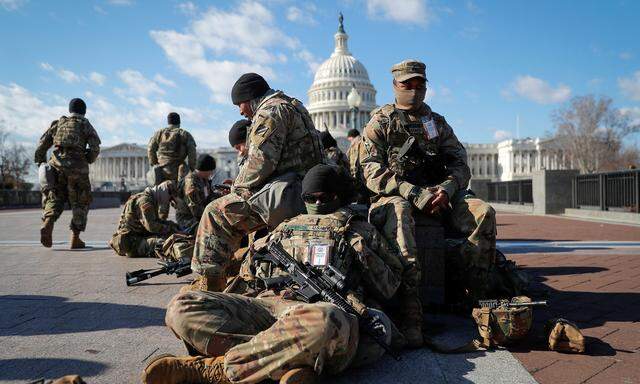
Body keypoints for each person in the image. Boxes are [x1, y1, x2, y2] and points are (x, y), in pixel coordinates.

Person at [141, 164, 405, 384]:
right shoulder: (284, 228)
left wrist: (362, 251)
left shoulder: (357, 230)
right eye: (309, 199)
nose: (316, 204)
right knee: (181, 306)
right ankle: (285, 363)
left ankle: (215, 369)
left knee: (327, 319)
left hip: (314, 315)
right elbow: (247, 272)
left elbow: (389, 287)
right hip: (268, 308)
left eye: (323, 198)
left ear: (338, 197)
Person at [360, 59, 497, 303]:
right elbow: (370, 169)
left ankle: (475, 293)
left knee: (483, 213)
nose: (413, 90)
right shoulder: (381, 122)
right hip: (397, 195)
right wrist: (412, 193)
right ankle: (410, 306)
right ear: (394, 85)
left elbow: (459, 163)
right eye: (407, 84)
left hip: (440, 194)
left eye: (419, 84)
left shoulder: (436, 123)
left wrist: (447, 188)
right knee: (400, 213)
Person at [189, 73, 325, 292]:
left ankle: (209, 290)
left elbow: (260, 163)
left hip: (291, 194)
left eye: (240, 105)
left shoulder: (270, 111)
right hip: (303, 187)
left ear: (250, 98)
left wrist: (235, 188)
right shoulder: (293, 105)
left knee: (215, 213)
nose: (241, 111)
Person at [34, 98, 101, 249]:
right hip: (78, 168)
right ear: (84, 111)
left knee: (55, 197)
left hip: (56, 165)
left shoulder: (58, 123)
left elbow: (41, 145)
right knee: (81, 202)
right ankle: (75, 238)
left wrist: (41, 163)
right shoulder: (85, 124)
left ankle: (48, 222)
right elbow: (95, 147)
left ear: (70, 110)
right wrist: (88, 158)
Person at [109, 180, 180, 258]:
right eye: (170, 199)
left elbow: (155, 221)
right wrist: (170, 229)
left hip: (136, 237)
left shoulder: (149, 198)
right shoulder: (145, 201)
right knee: (164, 243)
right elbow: (151, 226)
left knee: (168, 237)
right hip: (131, 243)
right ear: (165, 193)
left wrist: (173, 226)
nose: (168, 202)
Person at [147, 112, 197, 184]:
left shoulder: (159, 133)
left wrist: (155, 164)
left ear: (168, 122)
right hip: (178, 170)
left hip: (161, 171)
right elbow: (192, 154)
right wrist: (191, 169)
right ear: (179, 122)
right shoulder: (185, 134)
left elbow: (150, 149)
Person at [174, 154, 217, 233]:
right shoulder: (191, 185)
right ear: (205, 169)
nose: (211, 173)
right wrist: (215, 215)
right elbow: (196, 211)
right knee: (214, 231)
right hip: (188, 220)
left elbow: (208, 196)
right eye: (211, 171)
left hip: (200, 216)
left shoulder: (203, 180)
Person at [345, 128, 369, 204]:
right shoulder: (364, 140)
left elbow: (352, 162)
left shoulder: (355, 143)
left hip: (359, 176)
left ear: (351, 137)